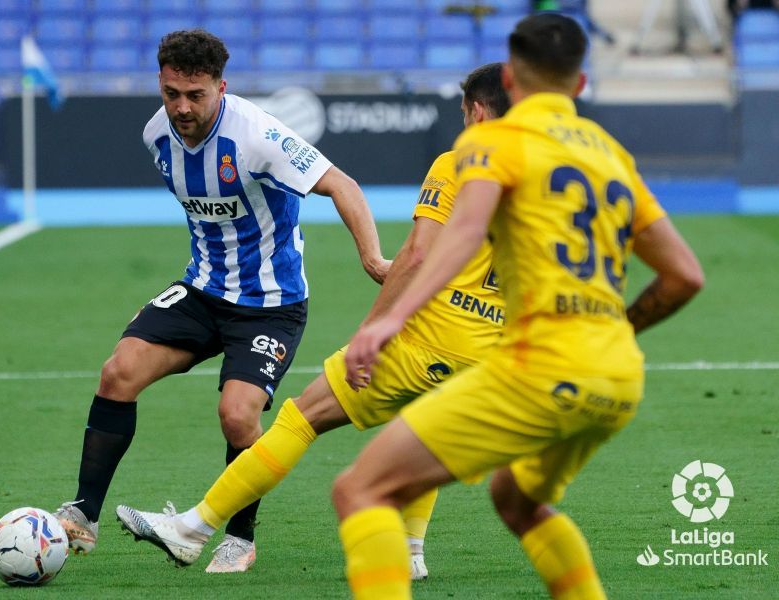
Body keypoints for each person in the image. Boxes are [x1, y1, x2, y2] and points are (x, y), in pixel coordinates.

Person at [334, 13, 704, 599]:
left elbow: (459, 236)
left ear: (509, 79)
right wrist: (618, 331)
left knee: (361, 491)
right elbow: (685, 275)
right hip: (617, 376)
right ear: (580, 85)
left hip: (540, 366)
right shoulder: (611, 155)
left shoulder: (490, 140)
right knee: (518, 499)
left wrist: (389, 321)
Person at [114, 63, 511, 580]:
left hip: (431, 338)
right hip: (493, 349)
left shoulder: (461, 162)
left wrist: (372, 331)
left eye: (463, 113)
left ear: (477, 111)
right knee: (424, 427)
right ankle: (410, 550)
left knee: (301, 417)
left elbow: (415, 256)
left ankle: (194, 528)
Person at [54, 28, 390, 574]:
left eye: (196, 95)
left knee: (237, 416)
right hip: (203, 289)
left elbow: (343, 185)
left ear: (221, 88)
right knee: (119, 372)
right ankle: (83, 516)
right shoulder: (155, 135)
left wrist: (373, 259)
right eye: (171, 94)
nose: (182, 108)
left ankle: (240, 536)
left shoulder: (258, 135)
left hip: (270, 303)